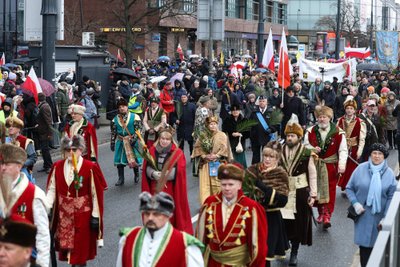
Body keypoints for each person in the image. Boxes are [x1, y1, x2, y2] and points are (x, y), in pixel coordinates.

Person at [46, 135, 107, 267]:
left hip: (82, 216)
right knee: (70, 252)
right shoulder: (57, 166)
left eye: (74, 149)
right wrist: (47, 206)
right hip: (65, 217)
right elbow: (52, 189)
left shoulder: (89, 167)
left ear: (81, 150)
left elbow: (96, 193)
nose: (71, 152)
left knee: (80, 253)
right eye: (68, 150)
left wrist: (95, 216)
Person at [196, 163, 267, 267]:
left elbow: (258, 247)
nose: (227, 188)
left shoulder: (252, 208)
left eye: (231, 184)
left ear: (239, 185)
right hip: (213, 263)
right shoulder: (210, 203)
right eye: (224, 184)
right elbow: (200, 238)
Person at [116, 192, 204, 267]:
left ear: (168, 216)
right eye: (147, 213)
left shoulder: (187, 246)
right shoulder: (128, 238)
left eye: (156, 214)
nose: (150, 218)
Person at [346, 143, 397, 267]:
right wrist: (355, 203)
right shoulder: (360, 169)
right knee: (364, 250)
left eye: (380, 154)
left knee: (378, 250)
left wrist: (386, 217)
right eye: (374, 153)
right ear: (370, 154)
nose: (377, 156)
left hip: (379, 219)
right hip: (363, 216)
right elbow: (349, 188)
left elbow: (392, 196)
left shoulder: (389, 174)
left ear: (384, 157)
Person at [0, 144, 50, 267]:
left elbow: (42, 234)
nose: (3, 168)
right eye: (1, 164)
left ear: (19, 166)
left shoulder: (34, 194)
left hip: (25, 259)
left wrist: (42, 264)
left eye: (7, 164)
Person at [280, 114, 317, 266]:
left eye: (293, 136)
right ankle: (284, 246)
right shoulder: (280, 150)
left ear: (299, 137)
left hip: (300, 191)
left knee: (297, 223)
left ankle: (294, 251)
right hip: (283, 191)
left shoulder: (307, 153)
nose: (290, 138)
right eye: (288, 135)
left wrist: (313, 194)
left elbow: (313, 174)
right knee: (283, 221)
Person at [141, 127, 193, 234]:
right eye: (162, 139)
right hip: (154, 189)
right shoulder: (151, 151)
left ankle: (169, 234)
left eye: (167, 139)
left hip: (169, 190)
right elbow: (146, 168)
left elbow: (179, 171)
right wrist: (153, 174)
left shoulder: (178, 153)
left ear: (171, 140)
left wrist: (165, 176)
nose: (164, 141)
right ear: (159, 139)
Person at [304, 105, 348, 229]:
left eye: (324, 117)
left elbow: (343, 150)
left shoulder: (338, 132)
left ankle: (327, 214)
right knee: (316, 189)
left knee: (330, 189)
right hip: (315, 165)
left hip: (331, 165)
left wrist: (342, 165)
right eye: (319, 117)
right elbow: (305, 145)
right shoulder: (310, 131)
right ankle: (321, 213)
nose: (322, 119)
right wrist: (312, 149)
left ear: (329, 118)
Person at [247, 141, 289, 265]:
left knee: (265, 255)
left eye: (271, 157)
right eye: (265, 156)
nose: (267, 159)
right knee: (251, 253)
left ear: (277, 158)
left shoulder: (281, 174)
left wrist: (262, 187)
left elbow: (282, 200)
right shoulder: (253, 169)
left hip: (270, 218)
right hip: (253, 216)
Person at [192, 116, 231, 204]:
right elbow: (197, 148)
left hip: (217, 163)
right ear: (207, 125)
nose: (213, 126)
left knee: (218, 184)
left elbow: (225, 149)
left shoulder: (222, 135)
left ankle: (219, 202)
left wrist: (216, 155)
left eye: (214, 124)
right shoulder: (203, 135)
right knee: (205, 186)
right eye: (211, 124)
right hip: (205, 164)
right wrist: (204, 156)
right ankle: (206, 204)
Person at [336, 97, 366, 192]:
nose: (349, 110)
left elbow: (362, 138)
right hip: (342, 148)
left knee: (352, 170)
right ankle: (344, 187)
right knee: (342, 167)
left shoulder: (360, 122)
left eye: (351, 109)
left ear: (354, 110)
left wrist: (359, 150)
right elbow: (335, 135)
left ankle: (352, 187)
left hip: (353, 148)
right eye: (347, 108)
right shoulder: (340, 120)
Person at [111, 98, 142, 186]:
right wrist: (112, 142)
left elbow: (139, 129)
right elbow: (113, 132)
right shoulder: (115, 119)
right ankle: (121, 178)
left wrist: (134, 139)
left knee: (134, 159)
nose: (122, 108)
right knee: (119, 161)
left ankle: (136, 175)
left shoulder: (134, 116)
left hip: (131, 141)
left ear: (127, 107)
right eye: (120, 107)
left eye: (123, 106)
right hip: (120, 142)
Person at [5, 117, 37, 183]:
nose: (10, 128)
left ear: (19, 128)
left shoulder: (26, 141)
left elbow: (33, 158)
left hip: (22, 171)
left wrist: (20, 164)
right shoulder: (3, 141)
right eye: (8, 126)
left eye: (13, 126)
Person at [249, 96, 279, 164]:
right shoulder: (254, 112)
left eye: (263, 101)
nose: (261, 103)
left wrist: (271, 130)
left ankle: (266, 169)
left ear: (266, 102)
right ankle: (255, 170)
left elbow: (276, 124)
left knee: (267, 155)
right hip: (256, 137)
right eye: (260, 101)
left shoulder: (271, 112)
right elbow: (250, 124)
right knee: (255, 156)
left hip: (267, 137)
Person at [36, 93, 53, 174]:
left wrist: (50, 133)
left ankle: (50, 166)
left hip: (45, 132)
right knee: (44, 150)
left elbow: (48, 121)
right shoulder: (42, 106)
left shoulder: (44, 107)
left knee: (45, 150)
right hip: (42, 131)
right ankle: (46, 165)